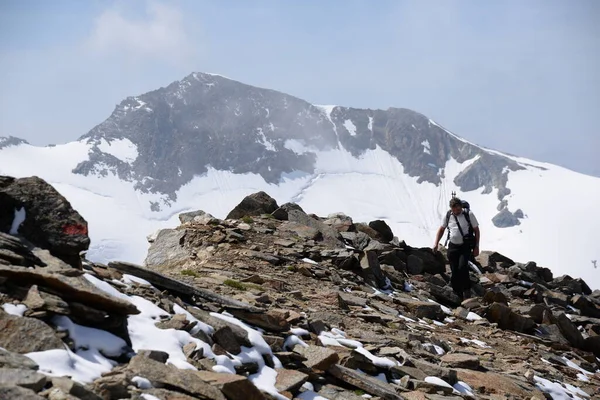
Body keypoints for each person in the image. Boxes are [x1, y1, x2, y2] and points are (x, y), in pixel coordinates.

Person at [433, 197, 480, 300]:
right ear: (451, 209)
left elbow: (476, 230)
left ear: (461, 207)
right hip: (453, 246)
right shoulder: (448, 215)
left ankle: (467, 291)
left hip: (465, 246)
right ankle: (457, 294)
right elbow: (441, 229)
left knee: (462, 267)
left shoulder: (468, 214)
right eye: (454, 210)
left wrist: (476, 246)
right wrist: (436, 243)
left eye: (458, 210)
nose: (456, 212)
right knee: (454, 270)